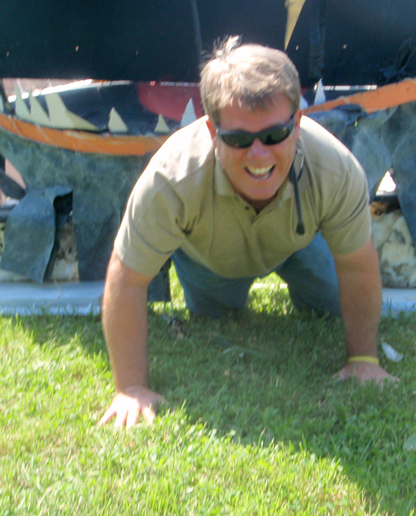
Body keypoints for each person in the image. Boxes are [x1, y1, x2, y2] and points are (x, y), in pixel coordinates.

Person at [98, 37, 395, 428]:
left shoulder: (335, 168)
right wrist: (131, 388)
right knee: (217, 318)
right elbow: (127, 277)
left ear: (299, 123)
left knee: (333, 307)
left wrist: (363, 360)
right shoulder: (171, 178)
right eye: (238, 139)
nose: (259, 154)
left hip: (297, 245)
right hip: (209, 259)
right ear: (210, 130)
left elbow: (357, 266)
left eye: (274, 135)